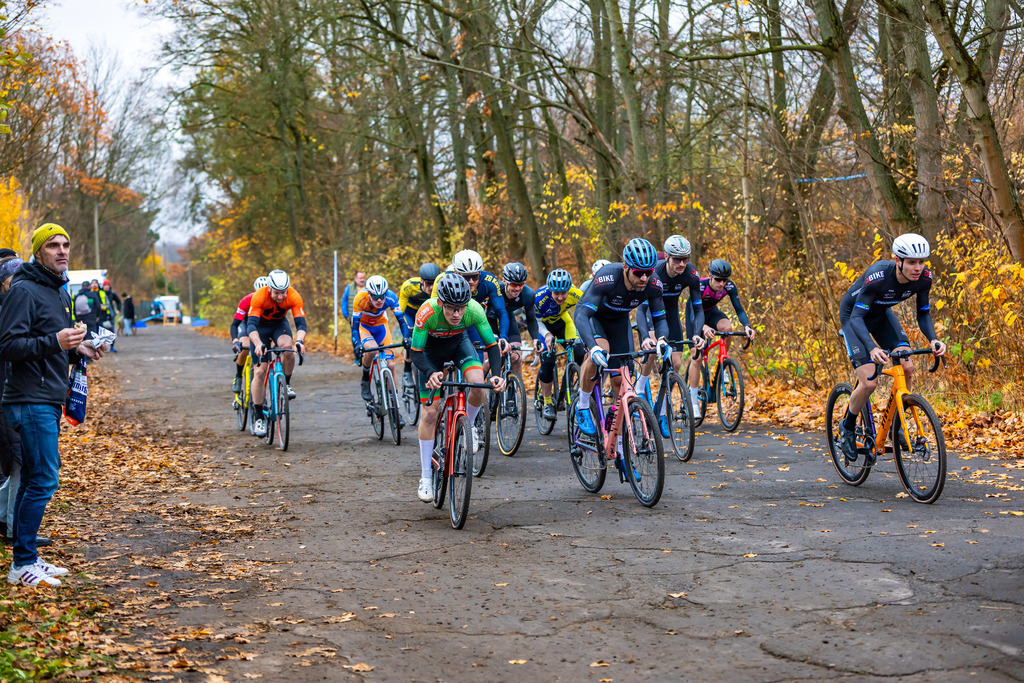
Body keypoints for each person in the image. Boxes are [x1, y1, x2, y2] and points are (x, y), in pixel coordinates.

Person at [0, 223, 107, 586]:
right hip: (28, 399)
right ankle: (21, 564)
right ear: (38, 251)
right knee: (45, 478)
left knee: (32, 477)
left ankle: (26, 557)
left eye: (65, 244)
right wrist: (55, 342)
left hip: (48, 397)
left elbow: (55, 339)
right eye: (53, 246)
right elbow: (8, 345)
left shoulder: (59, 290)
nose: (62, 251)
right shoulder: (24, 290)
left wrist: (80, 347)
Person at [835, 233, 945, 466]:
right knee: (870, 382)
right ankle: (847, 427)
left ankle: (896, 426)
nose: (918, 268)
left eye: (921, 261)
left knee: (907, 366)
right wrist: (872, 348)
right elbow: (856, 317)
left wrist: (933, 340)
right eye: (912, 262)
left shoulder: (924, 278)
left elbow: (923, 313)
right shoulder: (877, 277)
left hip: (881, 315)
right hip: (854, 317)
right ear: (898, 261)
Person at [410, 273, 504, 502]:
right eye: (451, 308)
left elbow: (492, 346)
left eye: (460, 308)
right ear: (441, 302)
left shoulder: (474, 309)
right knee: (431, 412)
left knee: (478, 385)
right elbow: (416, 352)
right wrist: (431, 372)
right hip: (429, 353)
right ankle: (425, 477)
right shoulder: (427, 311)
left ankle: (468, 426)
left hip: (459, 345)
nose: (456, 314)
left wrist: (497, 376)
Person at [574, 238, 671, 436]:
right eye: (638, 273)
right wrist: (592, 348)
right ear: (626, 266)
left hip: (619, 321)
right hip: (594, 318)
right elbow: (583, 316)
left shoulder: (653, 284)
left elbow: (660, 318)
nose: (644, 278)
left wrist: (662, 340)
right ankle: (582, 406)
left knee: (621, 378)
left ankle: (619, 443)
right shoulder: (607, 277)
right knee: (602, 350)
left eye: (649, 272)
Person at [636, 235, 707, 433]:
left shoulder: (691, 274)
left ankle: (663, 413)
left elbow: (698, 308)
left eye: (685, 258)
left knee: (675, 364)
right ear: (666, 256)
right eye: (677, 259)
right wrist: (645, 337)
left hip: (671, 313)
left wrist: (697, 334)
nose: (682, 263)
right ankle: (640, 388)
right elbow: (641, 310)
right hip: (651, 311)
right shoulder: (653, 272)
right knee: (652, 348)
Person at [686, 258, 755, 413]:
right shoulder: (700, 285)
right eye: (718, 280)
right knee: (696, 358)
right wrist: (702, 327)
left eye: (724, 280)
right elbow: (693, 314)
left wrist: (747, 326)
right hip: (694, 316)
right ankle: (693, 402)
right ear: (710, 274)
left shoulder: (729, 286)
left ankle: (723, 361)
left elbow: (740, 310)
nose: (722, 284)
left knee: (727, 328)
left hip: (711, 312)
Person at [247, 270, 307, 436]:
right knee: (260, 371)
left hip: (279, 325)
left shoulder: (294, 295)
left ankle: (286, 384)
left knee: (287, 348)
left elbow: (301, 324)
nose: (281, 297)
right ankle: (259, 417)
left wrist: (300, 341)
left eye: (283, 293)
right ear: (269, 289)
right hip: (260, 329)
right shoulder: (259, 296)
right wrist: (258, 344)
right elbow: (251, 325)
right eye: (277, 293)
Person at [352, 275, 411, 403]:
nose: (379, 300)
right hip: (365, 327)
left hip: (381, 326)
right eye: (375, 297)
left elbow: (401, 321)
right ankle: (365, 377)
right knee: (372, 351)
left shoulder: (391, 297)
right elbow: (355, 327)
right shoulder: (359, 299)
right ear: (369, 294)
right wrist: (357, 344)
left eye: (382, 296)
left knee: (391, 365)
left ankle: (394, 405)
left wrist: (406, 337)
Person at [535, 269, 584, 419]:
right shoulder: (539, 297)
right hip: (543, 326)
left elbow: (587, 311)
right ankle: (548, 401)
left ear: (570, 289)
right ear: (550, 290)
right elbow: (535, 322)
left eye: (564, 293)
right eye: (556, 294)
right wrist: (547, 335)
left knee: (580, 352)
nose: (561, 297)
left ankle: (567, 384)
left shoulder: (576, 294)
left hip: (563, 323)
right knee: (548, 359)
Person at [0, 255, 25, 544]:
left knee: (18, 462)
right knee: (18, 461)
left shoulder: (10, 305)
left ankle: (7, 522)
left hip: (13, 393)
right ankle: (14, 531)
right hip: (6, 397)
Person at [494, 262, 541, 377]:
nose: (518, 288)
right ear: (504, 281)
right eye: (514, 284)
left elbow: (531, 318)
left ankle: (513, 392)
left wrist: (535, 339)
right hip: (490, 322)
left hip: (509, 321)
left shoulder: (528, 294)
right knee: (488, 361)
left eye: (521, 284)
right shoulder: (495, 290)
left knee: (516, 357)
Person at [397, 263, 441, 387]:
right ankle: (407, 370)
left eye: (434, 283)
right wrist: (406, 329)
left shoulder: (441, 286)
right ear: (421, 281)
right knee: (410, 340)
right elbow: (400, 311)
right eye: (428, 283)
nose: (432, 287)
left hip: (429, 313)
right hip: (411, 314)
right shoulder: (409, 286)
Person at [230, 277, 270, 393]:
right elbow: (234, 324)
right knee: (245, 347)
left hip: (261, 326)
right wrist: (235, 341)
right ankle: (238, 376)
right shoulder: (246, 301)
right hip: (246, 323)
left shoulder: (273, 300)